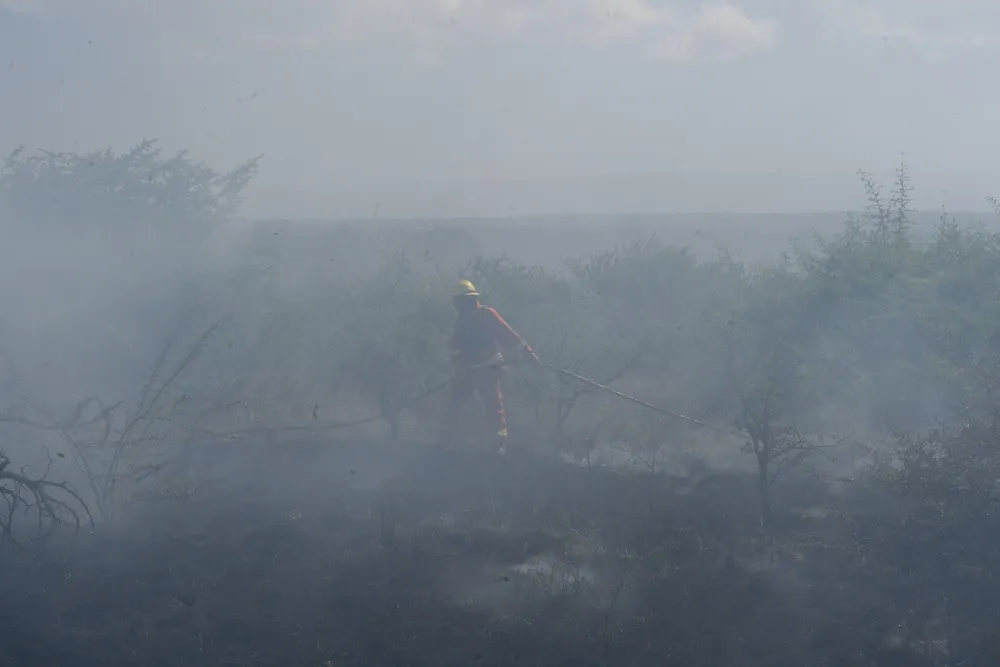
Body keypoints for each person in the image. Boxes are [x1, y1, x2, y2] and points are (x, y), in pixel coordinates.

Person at [442, 279, 539, 453]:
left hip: (488, 368)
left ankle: (499, 446)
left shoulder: (487, 315)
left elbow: (509, 336)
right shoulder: (461, 321)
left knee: (494, 407)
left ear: (469, 300)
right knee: (454, 403)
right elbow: (456, 349)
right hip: (469, 371)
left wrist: (528, 353)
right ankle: (445, 441)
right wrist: (459, 368)